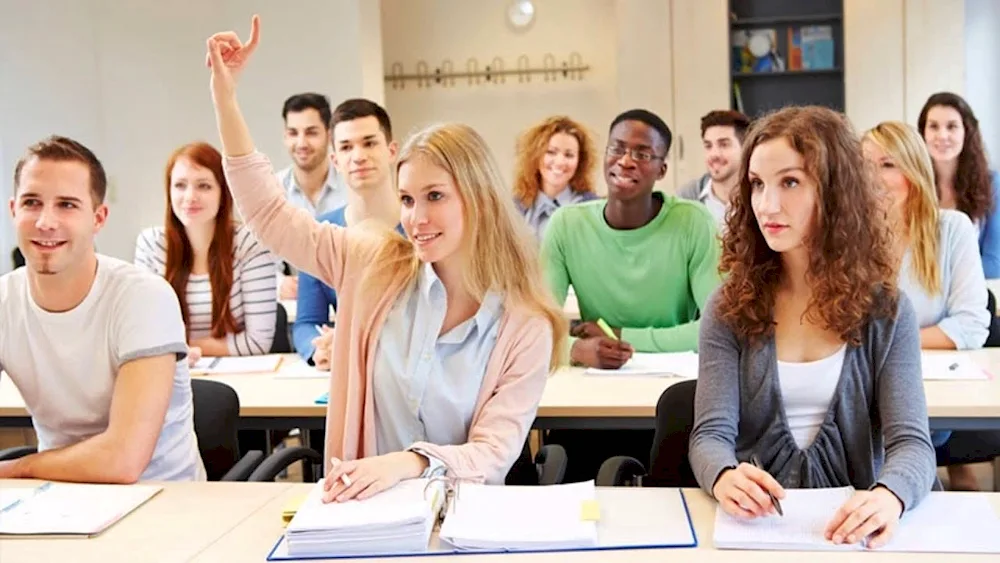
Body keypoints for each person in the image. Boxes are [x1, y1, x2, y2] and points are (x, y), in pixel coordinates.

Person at [205, 15, 567, 501]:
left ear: (479, 198)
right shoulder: (372, 261)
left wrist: (409, 463)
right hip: (363, 514)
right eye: (408, 199)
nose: (416, 217)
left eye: (435, 196)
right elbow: (270, 213)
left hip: (466, 521)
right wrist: (225, 99)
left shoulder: (526, 324)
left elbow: (493, 452)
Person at [690, 106, 936, 550]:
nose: (766, 205)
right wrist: (724, 475)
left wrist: (890, 495)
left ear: (836, 191)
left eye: (790, 182)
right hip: (754, 534)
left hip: (850, 538)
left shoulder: (887, 311)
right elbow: (709, 437)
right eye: (758, 185)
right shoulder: (728, 306)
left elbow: (912, 444)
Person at [0, 135, 205, 482]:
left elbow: (122, 461)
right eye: (32, 202)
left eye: (67, 205)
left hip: (163, 503)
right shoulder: (5, 301)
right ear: (13, 210)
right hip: (56, 498)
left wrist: (21, 468)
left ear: (98, 218)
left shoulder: (144, 297)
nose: (46, 221)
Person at [540, 108, 721, 482]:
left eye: (642, 153)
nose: (626, 161)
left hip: (671, 404)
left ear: (661, 170)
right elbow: (531, 331)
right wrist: (576, 351)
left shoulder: (693, 222)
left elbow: (718, 329)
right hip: (592, 401)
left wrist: (623, 336)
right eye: (617, 148)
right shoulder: (566, 226)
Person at [863, 120, 999, 491]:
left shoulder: (951, 229)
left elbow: (971, 326)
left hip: (929, 391)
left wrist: (894, 344)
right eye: (865, 166)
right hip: (861, 389)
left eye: (887, 165)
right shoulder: (846, 238)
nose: (873, 178)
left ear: (913, 170)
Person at [135, 142, 278, 359]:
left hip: (238, 376)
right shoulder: (151, 244)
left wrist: (184, 349)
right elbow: (144, 332)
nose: (190, 196)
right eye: (180, 185)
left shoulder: (250, 243)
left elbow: (258, 342)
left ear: (223, 193)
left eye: (204, 186)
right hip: (171, 374)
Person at [294, 98, 404, 367]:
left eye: (369, 143)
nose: (358, 156)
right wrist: (320, 348)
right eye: (346, 147)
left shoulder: (423, 225)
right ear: (335, 160)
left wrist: (350, 342)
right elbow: (307, 323)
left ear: (391, 151)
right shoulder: (319, 233)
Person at [274, 92, 348, 299]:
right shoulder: (274, 190)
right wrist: (280, 284)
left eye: (311, 132)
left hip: (349, 301)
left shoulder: (351, 186)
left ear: (329, 134)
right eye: (293, 133)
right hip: (295, 306)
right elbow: (261, 262)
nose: (301, 143)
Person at [917, 92, 1000, 279]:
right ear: (923, 133)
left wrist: (935, 274)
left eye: (952, 126)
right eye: (933, 126)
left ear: (967, 131)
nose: (942, 135)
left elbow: (995, 264)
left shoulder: (993, 184)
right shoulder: (912, 183)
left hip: (973, 295)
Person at [512, 116, 598, 240]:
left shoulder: (592, 209)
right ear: (535, 155)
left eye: (569, 155)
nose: (560, 162)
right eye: (551, 152)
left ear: (580, 161)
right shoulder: (515, 208)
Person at [677, 109, 751, 231]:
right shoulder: (687, 197)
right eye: (708, 146)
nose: (714, 154)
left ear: (745, 148)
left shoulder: (758, 196)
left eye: (724, 144)